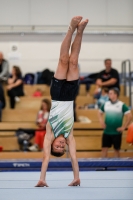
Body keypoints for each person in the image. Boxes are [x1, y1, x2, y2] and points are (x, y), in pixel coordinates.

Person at [35, 16, 88, 187]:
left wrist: (42, 179)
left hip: (57, 94)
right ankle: (80, 31)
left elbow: (45, 158)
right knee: (73, 62)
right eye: (62, 148)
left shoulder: (50, 133)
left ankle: (71, 29)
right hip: (70, 95)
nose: (61, 145)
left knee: (63, 60)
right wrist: (76, 177)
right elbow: (73, 157)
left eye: (57, 147)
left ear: (52, 145)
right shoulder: (69, 135)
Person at [98, 87, 132, 158]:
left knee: (116, 149)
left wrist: (123, 127)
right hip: (107, 131)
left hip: (116, 132)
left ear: (116, 95)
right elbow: (99, 113)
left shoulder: (122, 105)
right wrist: (101, 121)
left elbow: (129, 116)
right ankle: (103, 166)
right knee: (104, 149)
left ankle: (116, 166)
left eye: (111, 93)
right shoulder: (106, 104)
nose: (109, 95)